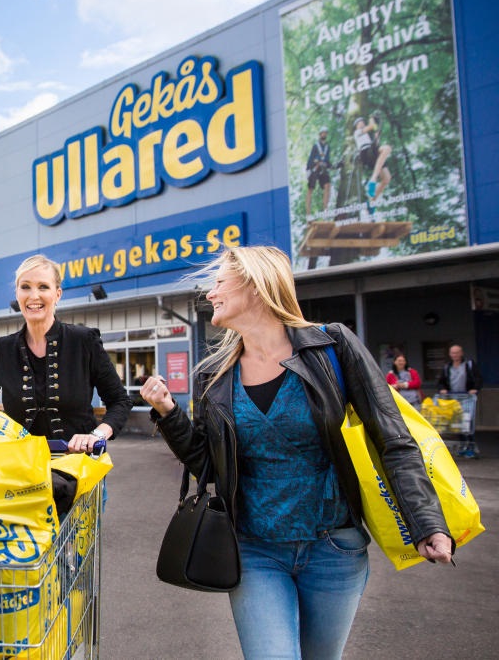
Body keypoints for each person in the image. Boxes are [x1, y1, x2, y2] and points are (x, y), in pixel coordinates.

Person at [140, 245, 453, 659]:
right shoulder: (213, 376)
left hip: (334, 548)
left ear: (255, 284)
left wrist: (427, 521)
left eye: (218, 282)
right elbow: (206, 464)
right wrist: (167, 413)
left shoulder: (332, 347)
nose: (210, 293)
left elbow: (392, 437)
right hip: (254, 549)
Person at [0, 254, 131, 452]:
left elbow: (120, 401)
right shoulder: (1, 350)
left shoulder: (83, 341)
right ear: (17, 294)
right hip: (19, 467)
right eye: (25, 286)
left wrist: (96, 435)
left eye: (43, 287)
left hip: (77, 464)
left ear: (58, 294)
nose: (33, 296)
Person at [437, 344, 483, 458]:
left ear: (461, 353)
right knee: (457, 424)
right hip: (453, 399)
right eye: (453, 353)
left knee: (468, 423)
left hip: (467, 399)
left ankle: (471, 447)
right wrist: (442, 389)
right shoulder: (447, 367)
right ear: (450, 354)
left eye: (457, 352)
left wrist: (475, 389)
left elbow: (478, 378)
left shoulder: (469, 365)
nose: (455, 355)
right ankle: (463, 447)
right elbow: (441, 381)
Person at [353, 115, 391, 203]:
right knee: (387, 148)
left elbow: (376, 145)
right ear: (356, 126)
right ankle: (372, 180)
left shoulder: (366, 135)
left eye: (363, 122)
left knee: (386, 178)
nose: (362, 124)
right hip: (365, 153)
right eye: (360, 123)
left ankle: (371, 201)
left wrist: (377, 137)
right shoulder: (357, 132)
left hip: (372, 153)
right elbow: (371, 126)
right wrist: (371, 118)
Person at [305, 126, 333, 216]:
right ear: (320, 134)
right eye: (323, 133)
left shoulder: (328, 147)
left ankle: (325, 209)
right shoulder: (316, 146)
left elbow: (328, 161)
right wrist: (308, 170)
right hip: (315, 168)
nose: (324, 134)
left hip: (323, 169)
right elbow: (311, 157)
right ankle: (308, 213)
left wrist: (334, 166)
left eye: (325, 133)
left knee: (327, 185)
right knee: (310, 189)